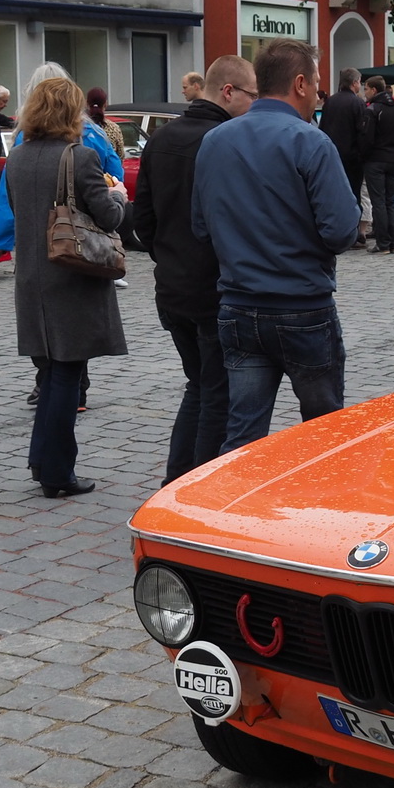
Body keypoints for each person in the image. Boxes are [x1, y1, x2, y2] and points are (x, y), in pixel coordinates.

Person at [192, 39, 358, 450]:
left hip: (238, 307)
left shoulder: (214, 141)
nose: (319, 93)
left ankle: (235, 493)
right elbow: (341, 231)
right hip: (302, 308)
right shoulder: (311, 142)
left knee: (242, 436)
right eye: (316, 83)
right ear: (300, 84)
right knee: (323, 433)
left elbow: (201, 227)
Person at [0, 76, 127, 497]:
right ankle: (57, 473)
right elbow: (109, 217)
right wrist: (119, 195)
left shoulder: (17, 159)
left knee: (51, 374)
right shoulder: (80, 157)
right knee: (67, 377)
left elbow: (19, 210)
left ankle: (42, 461)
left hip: (32, 279)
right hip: (71, 278)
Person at [134, 55, 256, 485]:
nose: (255, 104)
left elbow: (142, 219)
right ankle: (198, 486)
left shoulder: (161, 138)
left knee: (198, 386)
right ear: (228, 91)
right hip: (213, 289)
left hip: (172, 287)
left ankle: (175, 481)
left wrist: (169, 257)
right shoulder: (227, 141)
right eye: (252, 95)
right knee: (216, 393)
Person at [0, 61, 124, 405]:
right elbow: (110, 187)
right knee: (71, 350)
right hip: (75, 254)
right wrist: (117, 196)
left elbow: (11, 203)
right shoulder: (88, 143)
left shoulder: (18, 152)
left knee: (48, 346)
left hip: (34, 260)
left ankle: (49, 388)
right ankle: (69, 394)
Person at [318, 67, 371, 248]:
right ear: (354, 83)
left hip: (333, 156)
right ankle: (353, 234)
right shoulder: (357, 103)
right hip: (353, 158)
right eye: (359, 82)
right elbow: (363, 132)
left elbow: (322, 129)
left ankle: (336, 231)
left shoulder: (330, 102)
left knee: (334, 196)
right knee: (354, 196)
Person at [360, 75, 394, 253]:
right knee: (390, 201)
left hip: (376, 160)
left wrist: (365, 156)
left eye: (366, 89)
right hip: (393, 160)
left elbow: (367, 138)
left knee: (378, 201)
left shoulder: (372, 110)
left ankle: (383, 242)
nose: (364, 92)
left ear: (374, 90)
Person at [86, 88, 126, 161]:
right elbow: (120, 156)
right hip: (107, 168)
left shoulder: (78, 128)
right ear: (105, 104)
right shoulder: (114, 129)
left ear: (87, 104)